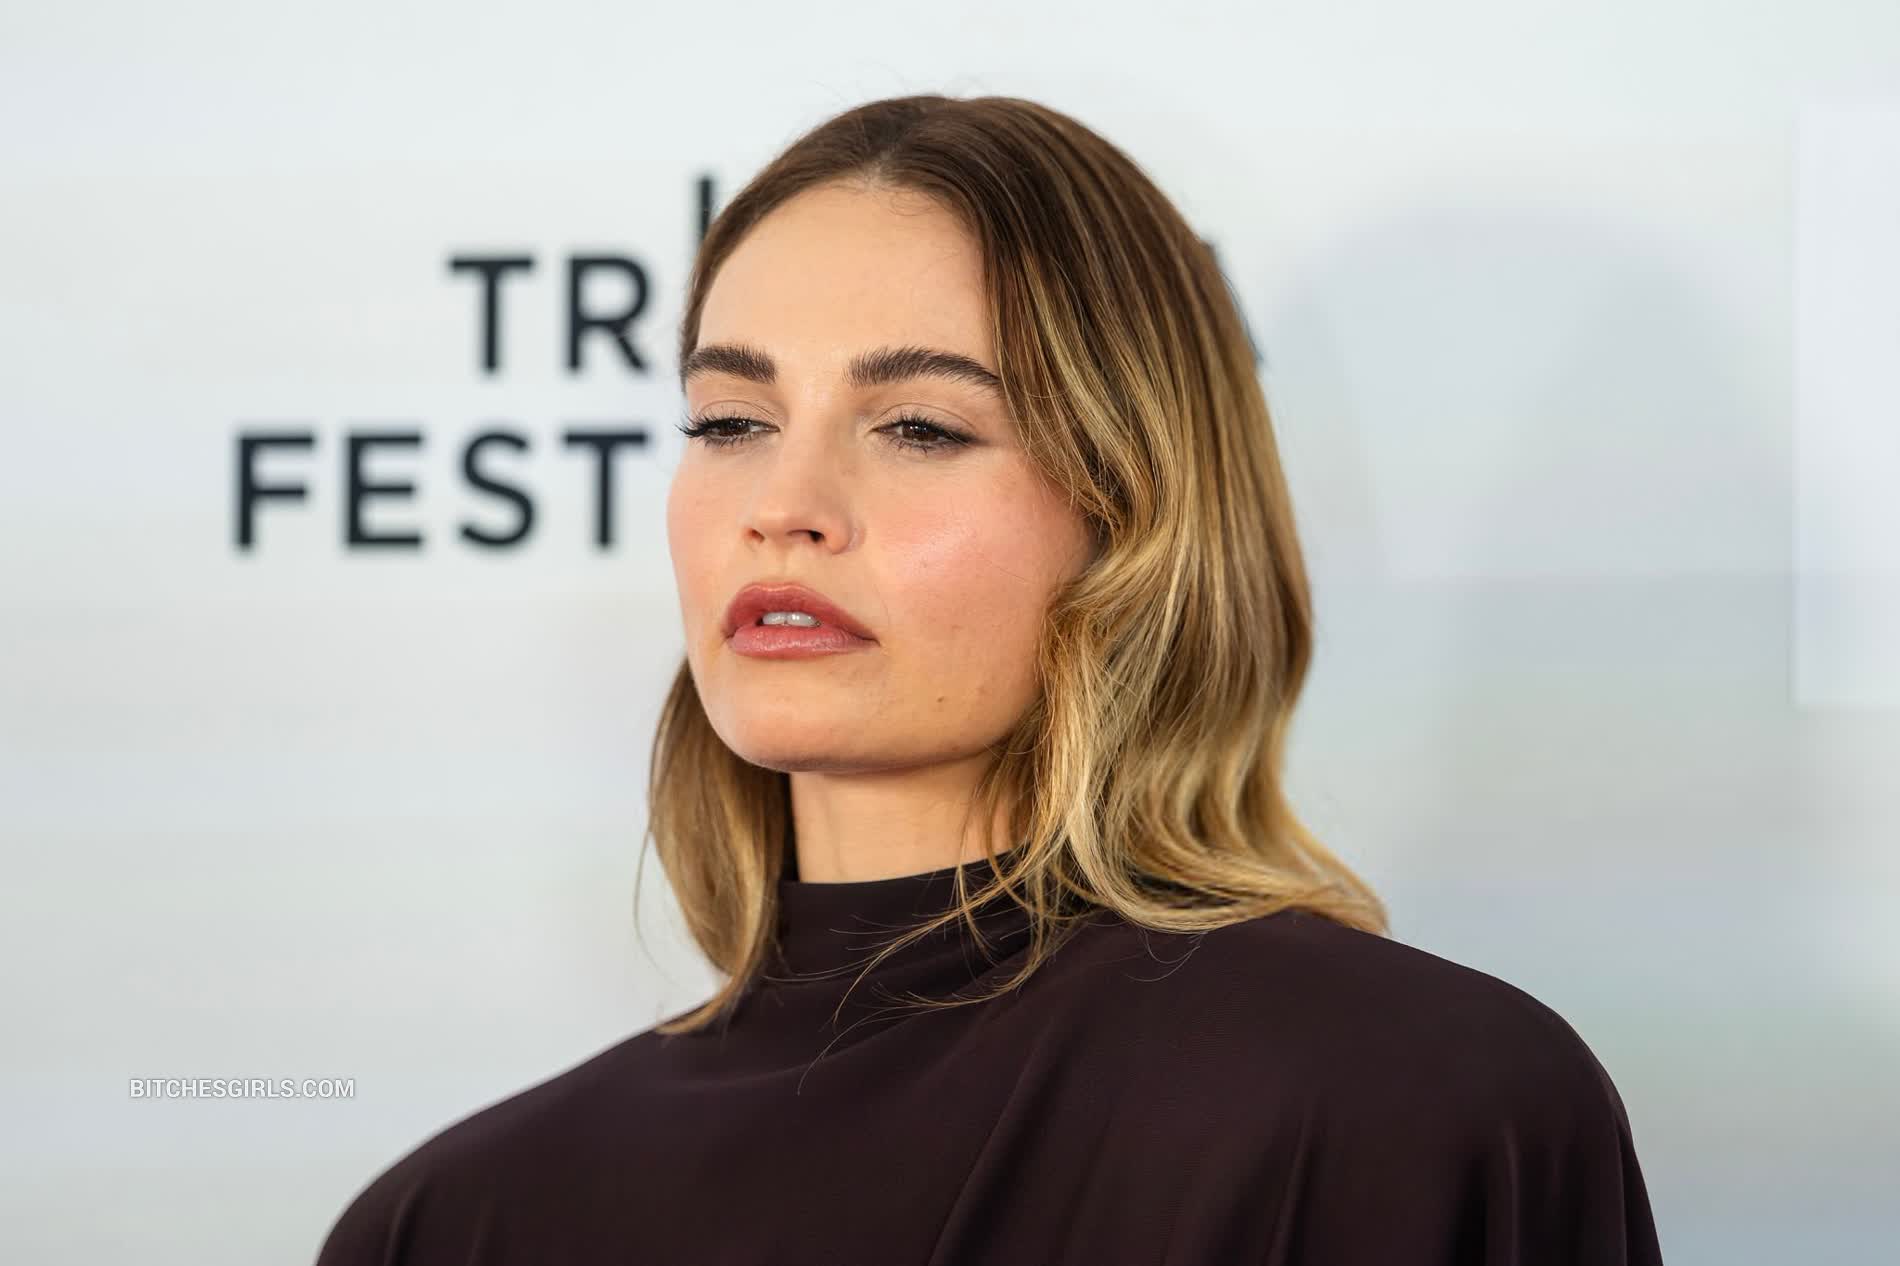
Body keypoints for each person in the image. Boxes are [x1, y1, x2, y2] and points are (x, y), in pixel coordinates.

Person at [313, 93, 1665, 1264]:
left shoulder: (1407, 1106)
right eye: (730, 420)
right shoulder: (453, 1222)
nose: (784, 506)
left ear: (1134, 512)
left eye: (917, 425)